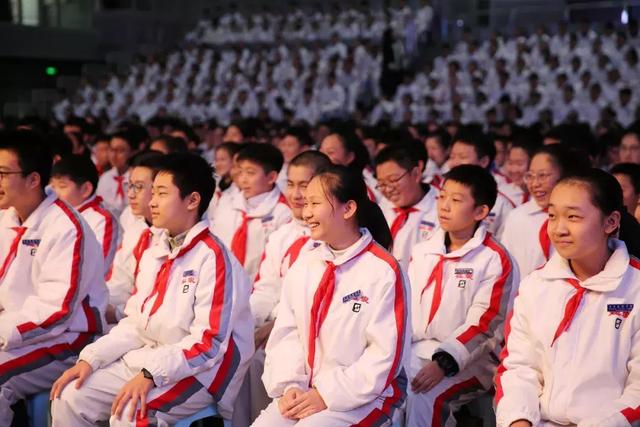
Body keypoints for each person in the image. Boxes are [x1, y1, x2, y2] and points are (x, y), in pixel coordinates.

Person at [50, 153, 254, 426]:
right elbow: (136, 322)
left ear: (192, 200)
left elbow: (209, 344)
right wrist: (91, 359)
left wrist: (150, 374)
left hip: (201, 372)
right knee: (69, 395)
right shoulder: (157, 251)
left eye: (161, 193)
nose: (152, 201)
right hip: (152, 358)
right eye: (153, 192)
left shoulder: (214, 258)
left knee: (129, 412)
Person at [251, 165, 407, 426]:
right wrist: (290, 383)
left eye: (315, 202)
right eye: (307, 203)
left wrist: (327, 394)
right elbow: (288, 332)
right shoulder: (306, 264)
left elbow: (384, 354)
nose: (306, 211)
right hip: (305, 390)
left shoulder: (383, 270)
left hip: (365, 396)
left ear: (348, 208)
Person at [495, 168, 640, 427]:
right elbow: (518, 367)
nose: (559, 229)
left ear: (611, 222)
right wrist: (518, 420)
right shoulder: (536, 286)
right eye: (552, 216)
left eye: (573, 217)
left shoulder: (635, 286)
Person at [0, 130, 107, 425]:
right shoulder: (7, 217)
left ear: (33, 179)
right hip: (18, 331)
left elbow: (56, 312)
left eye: (3, 173)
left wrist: (2, 331)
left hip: (68, 338)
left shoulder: (65, 226)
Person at [405, 164, 516, 426]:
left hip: (470, 361)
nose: (444, 206)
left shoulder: (494, 259)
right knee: (386, 385)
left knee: (424, 396)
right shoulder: (424, 250)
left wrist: (444, 362)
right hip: (416, 349)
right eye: (442, 197)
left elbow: (485, 323)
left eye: (455, 200)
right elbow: (405, 306)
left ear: (480, 211)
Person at [233, 151, 331, 427]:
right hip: (278, 326)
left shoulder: (332, 238)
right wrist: (243, 321)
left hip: (311, 334)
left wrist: (271, 327)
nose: (297, 193)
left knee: (259, 359)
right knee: (239, 348)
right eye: (291, 184)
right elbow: (266, 287)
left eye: (305, 185)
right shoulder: (283, 235)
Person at [500, 145, 589, 279]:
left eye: (543, 175)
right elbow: (506, 267)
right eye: (530, 176)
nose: (535, 184)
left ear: (564, 176)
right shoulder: (517, 217)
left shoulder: (582, 215)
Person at [211, 143, 291, 281]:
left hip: (261, 288)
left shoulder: (284, 213)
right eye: (241, 171)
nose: (243, 179)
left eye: (250, 173)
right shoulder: (228, 203)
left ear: (271, 177)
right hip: (223, 284)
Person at [105, 151, 165, 322]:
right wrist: (102, 304)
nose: (130, 194)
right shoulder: (136, 227)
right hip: (126, 316)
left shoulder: (174, 235)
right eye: (129, 185)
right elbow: (120, 280)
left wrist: (118, 313)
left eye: (138, 187)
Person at [50, 154, 119, 276]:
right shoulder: (53, 213)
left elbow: (98, 267)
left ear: (86, 189)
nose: (55, 193)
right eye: (53, 186)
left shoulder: (101, 219)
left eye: (62, 186)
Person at [375, 144, 438, 269]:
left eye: (393, 180)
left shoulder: (440, 209)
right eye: (381, 184)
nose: (388, 189)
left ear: (415, 174)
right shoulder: (383, 206)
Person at [447, 129, 516, 234]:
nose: (454, 163)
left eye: (462, 157)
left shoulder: (501, 204)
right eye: (452, 157)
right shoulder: (442, 195)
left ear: (484, 161)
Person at [319, 128, 381, 201]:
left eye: (330, 152)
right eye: (320, 152)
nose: (322, 157)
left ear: (350, 157)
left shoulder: (362, 190)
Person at [96, 131, 141, 218]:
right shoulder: (105, 178)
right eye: (111, 150)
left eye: (120, 151)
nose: (113, 155)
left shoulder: (136, 177)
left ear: (132, 152)